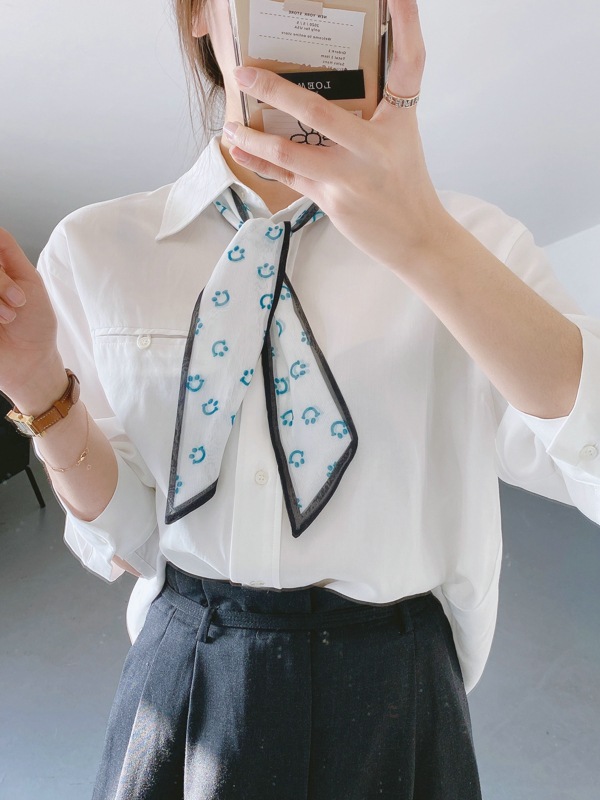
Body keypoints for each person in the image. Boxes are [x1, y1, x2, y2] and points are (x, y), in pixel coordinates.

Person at [1, 1, 599, 797]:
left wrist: (425, 242)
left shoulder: (477, 244)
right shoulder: (97, 250)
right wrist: (40, 388)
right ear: (199, 14)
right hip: (184, 674)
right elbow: (134, 537)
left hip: (396, 688)